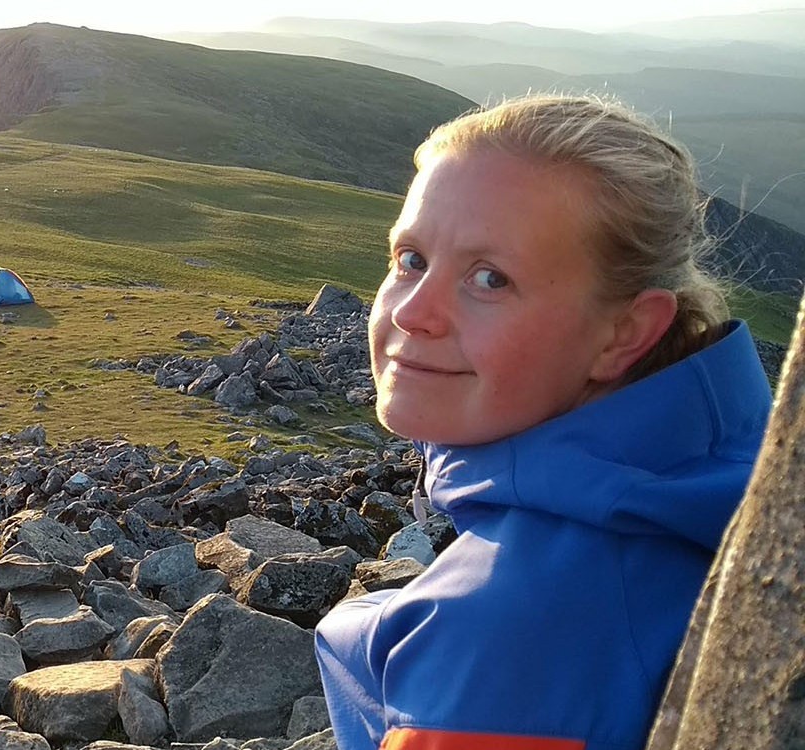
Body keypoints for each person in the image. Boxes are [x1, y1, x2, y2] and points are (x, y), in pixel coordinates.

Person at [314, 94, 774, 750]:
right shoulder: (729, 458)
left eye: (489, 279)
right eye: (410, 259)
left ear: (623, 335)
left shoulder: (494, 635)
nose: (414, 312)